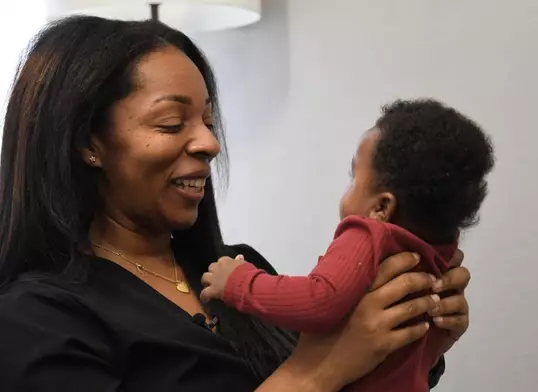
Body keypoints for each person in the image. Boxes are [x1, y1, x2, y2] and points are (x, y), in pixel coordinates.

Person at [0, 16, 472, 392]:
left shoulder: (238, 269)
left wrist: (416, 342)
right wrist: (316, 374)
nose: (209, 142)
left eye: (208, 120)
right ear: (88, 142)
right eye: (170, 123)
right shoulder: (38, 318)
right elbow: (325, 375)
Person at [200, 99, 494, 391]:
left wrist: (239, 282)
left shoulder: (366, 234)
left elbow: (318, 300)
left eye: (352, 178)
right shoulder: (440, 253)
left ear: (381, 207)